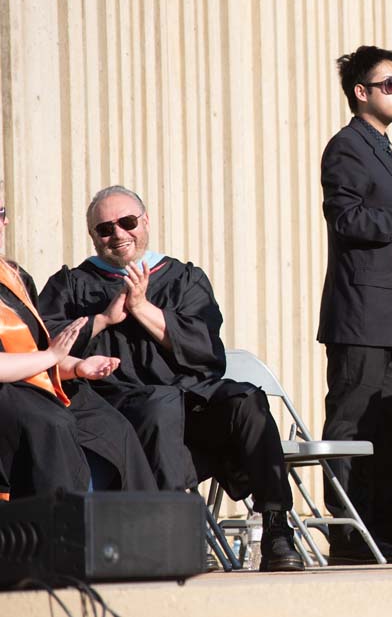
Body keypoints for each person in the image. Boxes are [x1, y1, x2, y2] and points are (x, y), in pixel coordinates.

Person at [38, 186, 304, 571]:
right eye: (105, 228)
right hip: (119, 404)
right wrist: (105, 319)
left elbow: (206, 351)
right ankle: (179, 535)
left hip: (189, 400)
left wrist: (141, 308)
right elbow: (46, 343)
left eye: (127, 222)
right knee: (160, 405)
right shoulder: (72, 285)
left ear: (145, 222)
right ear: (93, 236)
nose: (118, 234)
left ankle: (278, 529)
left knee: (246, 400)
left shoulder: (183, 278)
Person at [317, 45, 392, 564]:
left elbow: (381, 214)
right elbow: (345, 217)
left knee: (388, 429)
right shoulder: (347, 146)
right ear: (361, 92)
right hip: (361, 317)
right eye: (390, 84)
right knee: (354, 426)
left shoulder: (383, 148)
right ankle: (349, 537)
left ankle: (387, 534)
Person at [0, 208, 155, 500]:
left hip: (37, 386)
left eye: (0, 212)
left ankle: (139, 537)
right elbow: (44, 357)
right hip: (8, 394)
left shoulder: (14, 277)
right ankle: (58, 537)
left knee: (116, 427)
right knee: (51, 425)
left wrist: (79, 366)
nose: (1, 223)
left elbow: (39, 352)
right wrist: (53, 358)